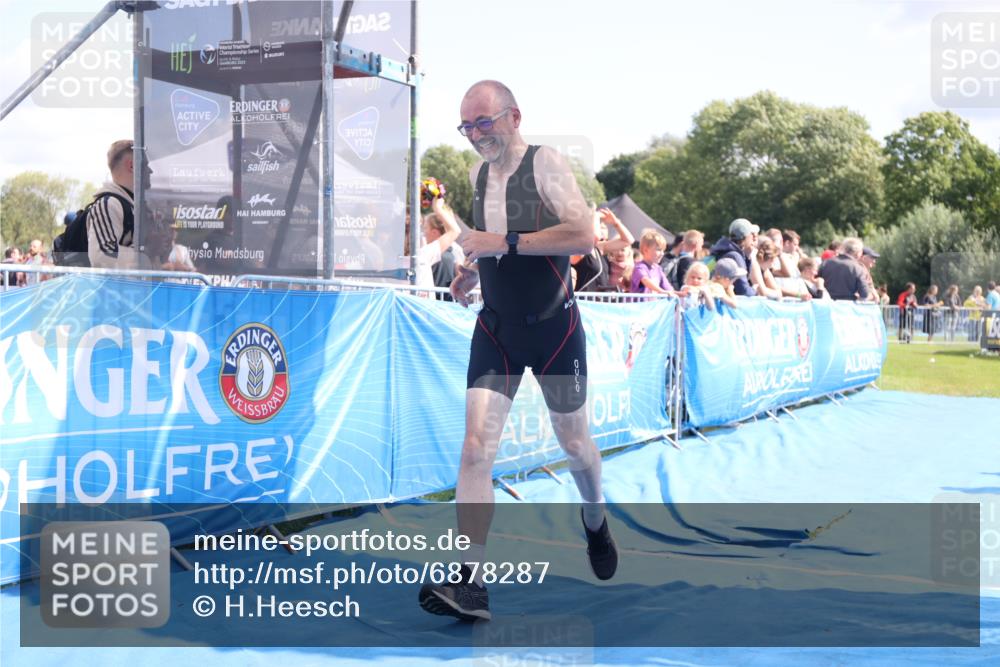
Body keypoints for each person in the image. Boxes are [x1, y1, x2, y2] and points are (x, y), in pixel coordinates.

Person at [420, 80, 617, 623]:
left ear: (513, 117)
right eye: (467, 126)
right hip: (497, 329)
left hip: (554, 329)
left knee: (575, 447)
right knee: (476, 447)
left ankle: (595, 521)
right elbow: (490, 236)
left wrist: (502, 244)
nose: (475, 135)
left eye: (484, 122)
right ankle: (470, 582)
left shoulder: (545, 162)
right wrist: (467, 270)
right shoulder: (476, 173)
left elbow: (582, 236)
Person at [88, 139, 140, 269]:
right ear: (132, 165)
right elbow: (102, 256)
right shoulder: (110, 204)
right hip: (108, 289)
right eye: (146, 164)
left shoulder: (129, 205)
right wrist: (145, 255)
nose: (150, 170)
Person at [572, 207, 634, 292]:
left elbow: (628, 240)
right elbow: (594, 237)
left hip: (599, 303)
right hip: (583, 303)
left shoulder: (600, 248)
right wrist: (596, 215)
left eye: (604, 227)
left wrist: (616, 223)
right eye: (599, 226)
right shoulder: (577, 249)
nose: (601, 230)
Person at [414, 196, 463, 291]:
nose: (423, 233)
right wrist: (438, 208)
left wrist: (438, 209)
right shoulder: (425, 254)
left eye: (425, 228)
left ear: (435, 232)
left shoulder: (428, 254)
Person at [709, 218, 758, 297]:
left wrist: (748, 257)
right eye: (752, 234)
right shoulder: (735, 256)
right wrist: (755, 291)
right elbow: (743, 290)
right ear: (746, 236)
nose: (754, 238)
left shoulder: (724, 251)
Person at [631, 229, 673, 294]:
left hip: (653, 304)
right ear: (646, 250)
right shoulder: (639, 267)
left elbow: (668, 288)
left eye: (663, 250)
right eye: (658, 250)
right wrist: (662, 291)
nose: (662, 254)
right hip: (640, 304)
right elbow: (645, 280)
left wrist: (680, 293)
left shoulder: (658, 269)